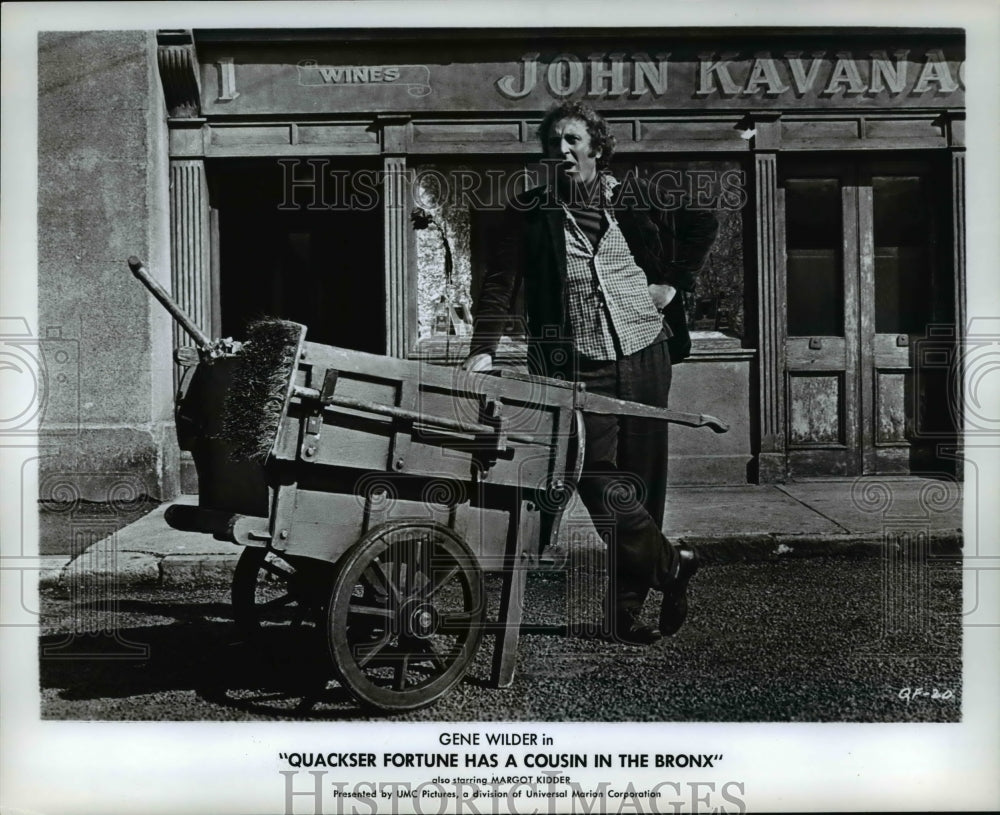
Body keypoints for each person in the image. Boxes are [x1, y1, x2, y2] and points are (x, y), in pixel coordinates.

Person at [463, 101, 718, 645]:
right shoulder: (530, 212)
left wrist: (672, 282)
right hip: (576, 364)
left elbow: (703, 221)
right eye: (554, 143)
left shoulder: (636, 197)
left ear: (596, 148)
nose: (563, 151)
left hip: (644, 353)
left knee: (642, 482)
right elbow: (499, 284)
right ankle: (671, 563)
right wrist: (482, 347)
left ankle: (624, 614)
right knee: (586, 471)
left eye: (573, 140)